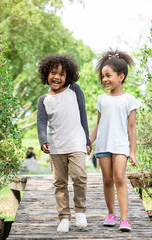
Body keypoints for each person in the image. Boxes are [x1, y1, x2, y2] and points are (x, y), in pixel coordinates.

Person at [37, 54, 92, 233]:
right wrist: (43, 140)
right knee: (60, 183)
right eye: (53, 72)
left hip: (76, 142)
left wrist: (87, 139)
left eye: (62, 74)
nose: (57, 77)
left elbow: (83, 115)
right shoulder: (43, 100)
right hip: (56, 145)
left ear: (68, 77)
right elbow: (41, 122)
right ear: (47, 74)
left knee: (80, 176)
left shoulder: (74, 90)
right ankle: (64, 217)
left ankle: (80, 211)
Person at [89, 49, 137, 232]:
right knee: (107, 179)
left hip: (120, 145)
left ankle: (124, 218)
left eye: (108, 76)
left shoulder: (129, 99)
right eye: (103, 76)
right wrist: (89, 141)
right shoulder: (102, 99)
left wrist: (132, 151)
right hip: (103, 144)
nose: (104, 80)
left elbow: (131, 127)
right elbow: (98, 124)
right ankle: (111, 214)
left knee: (119, 177)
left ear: (121, 76)